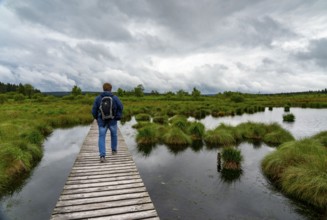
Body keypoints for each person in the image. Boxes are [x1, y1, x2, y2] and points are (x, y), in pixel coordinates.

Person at [92, 82, 123, 162]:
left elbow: (94, 110)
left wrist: (97, 118)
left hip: (102, 121)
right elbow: (121, 107)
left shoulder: (98, 98)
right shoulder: (115, 98)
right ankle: (114, 150)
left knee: (101, 137)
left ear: (103, 89)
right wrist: (118, 116)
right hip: (112, 120)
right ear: (110, 89)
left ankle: (102, 156)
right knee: (114, 135)